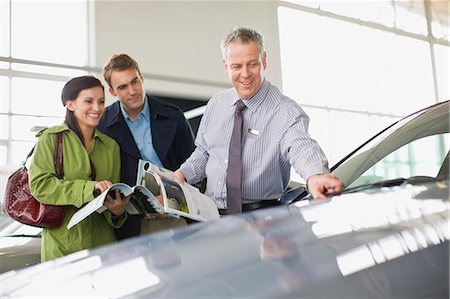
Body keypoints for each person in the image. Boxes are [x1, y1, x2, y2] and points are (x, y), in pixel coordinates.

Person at [174, 26, 344, 215]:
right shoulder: (216, 104)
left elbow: (300, 145)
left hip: (262, 220)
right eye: (236, 66)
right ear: (225, 66)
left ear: (264, 60)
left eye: (252, 64)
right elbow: (204, 152)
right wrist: (182, 174)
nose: (245, 74)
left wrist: (315, 175)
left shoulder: (284, 110)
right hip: (210, 216)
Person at [29, 75, 130, 262]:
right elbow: (40, 186)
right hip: (62, 245)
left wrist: (117, 211)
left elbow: (112, 195)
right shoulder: (50, 139)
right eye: (89, 101)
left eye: (101, 101)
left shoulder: (111, 146)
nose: (97, 108)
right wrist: (89, 188)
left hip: (103, 246)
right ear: (70, 104)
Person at [98, 54, 196, 240]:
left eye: (135, 81)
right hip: (128, 219)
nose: (132, 91)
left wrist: (170, 197)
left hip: (174, 212)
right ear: (112, 92)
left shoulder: (173, 116)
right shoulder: (103, 126)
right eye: (123, 87)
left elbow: (194, 167)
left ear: (141, 78)